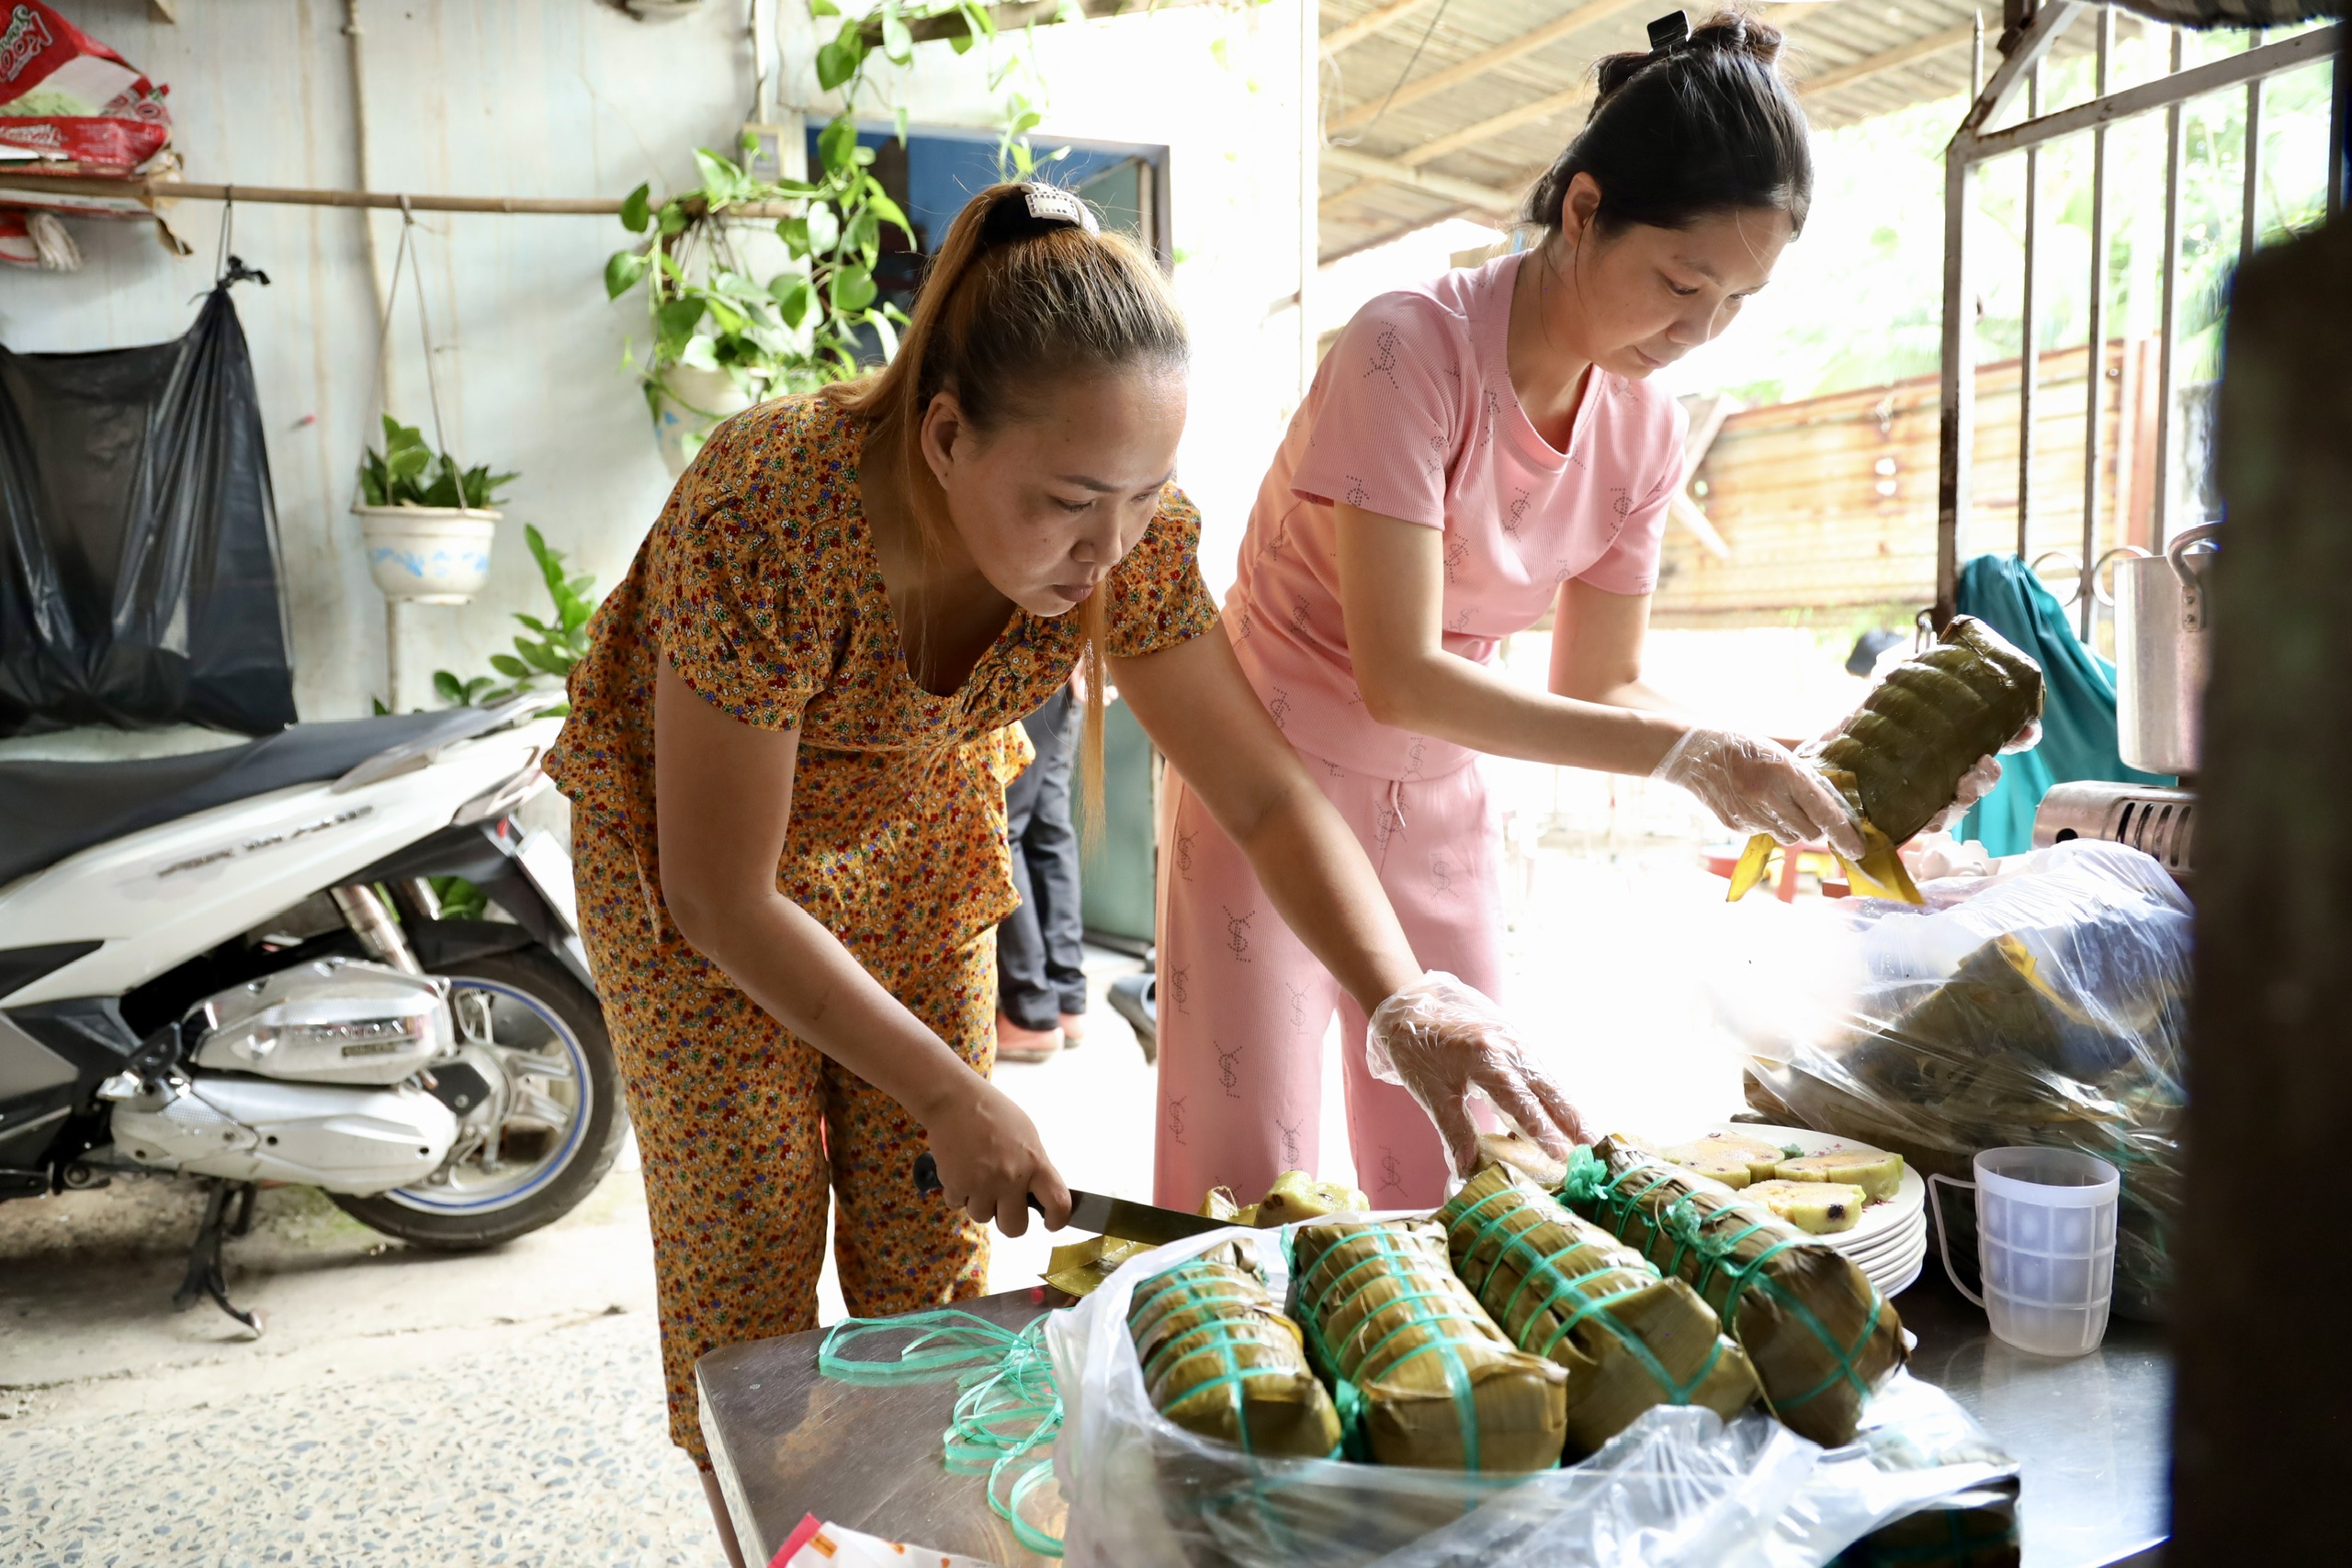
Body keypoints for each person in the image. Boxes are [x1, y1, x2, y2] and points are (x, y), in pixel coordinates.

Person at [545, 181, 1577, 1564]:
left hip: (914, 845)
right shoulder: (769, 511)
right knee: (751, 1268)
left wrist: (1405, 1000)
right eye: (1070, 504)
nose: (1108, 550)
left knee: (931, 1262)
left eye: (1143, 499)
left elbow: (1268, 793)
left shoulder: (1125, 537)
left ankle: (926, 1544)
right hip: (700, 876)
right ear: (946, 434)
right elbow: (721, 894)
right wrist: (947, 1086)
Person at [1153, 11, 2020, 1213]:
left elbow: (1602, 680)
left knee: (1473, 1170)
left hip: (1438, 796)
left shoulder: (1645, 428)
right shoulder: (1406, 352)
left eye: (1738, 300)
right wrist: (1692, 755)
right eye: (1682, 282)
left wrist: (1808, 766)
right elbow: (1399, 673)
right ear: (1582, 211)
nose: (1699, 330)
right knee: (1248, 1176)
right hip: (1267, 769)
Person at [995, 676, 1088, 1062]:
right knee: (1047, 830)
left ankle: (1030, 1011)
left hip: (1021, 665)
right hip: (1062, 662)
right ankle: (1065, 1000)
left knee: (1004, 828)